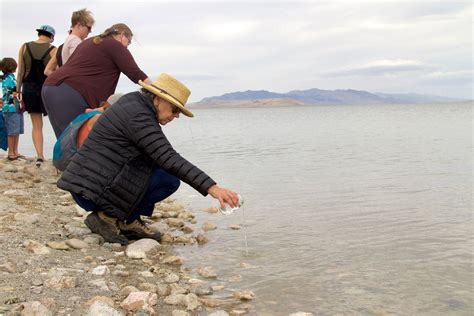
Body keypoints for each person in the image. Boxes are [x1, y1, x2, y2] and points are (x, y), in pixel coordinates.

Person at [57, 73, 239, 244]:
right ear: (158, 99)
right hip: (89, 191)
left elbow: (158, 154)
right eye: (175, 109)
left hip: (89, 185)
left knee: (157, 169)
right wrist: (212, 187)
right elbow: (167, 156)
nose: (176, 116)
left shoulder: (134, 104)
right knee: (168, 180)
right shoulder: (138, 116)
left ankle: (127, 220)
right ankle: (107, 218)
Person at [42, 23, 151, 138]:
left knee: (64, 142)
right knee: (79, 140)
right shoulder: (114, 44)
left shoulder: (90, 42)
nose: (127, 48)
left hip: (50, 88)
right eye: (128, 42)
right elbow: (135, 73)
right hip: (70, 92)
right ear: (122, 35)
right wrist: (158, 90)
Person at [17, 25, 56, 167]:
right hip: (46, 89)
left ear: (39, 33)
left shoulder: (25, 47)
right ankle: (60, 154)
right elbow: (55, 72)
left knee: (36, 125)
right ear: (51, 37)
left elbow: (20, 71)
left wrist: (17, 91)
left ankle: (40, 155)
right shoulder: (53, 50)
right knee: (55, 122)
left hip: (28, 88)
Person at [44, 8, 95, 76]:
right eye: (89, 28)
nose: (90, 31)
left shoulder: (69, 39)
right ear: (79, 25)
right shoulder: (75, 42)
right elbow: (78, 67)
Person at [1, 58, 24, 160]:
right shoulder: (8, 79)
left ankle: (15, 150)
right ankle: (11, 152)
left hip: (16, 107)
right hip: (11, 108)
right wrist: (20, 95)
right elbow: (11, 93)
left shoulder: (11, 77)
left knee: (17, 130)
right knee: (12, 131)